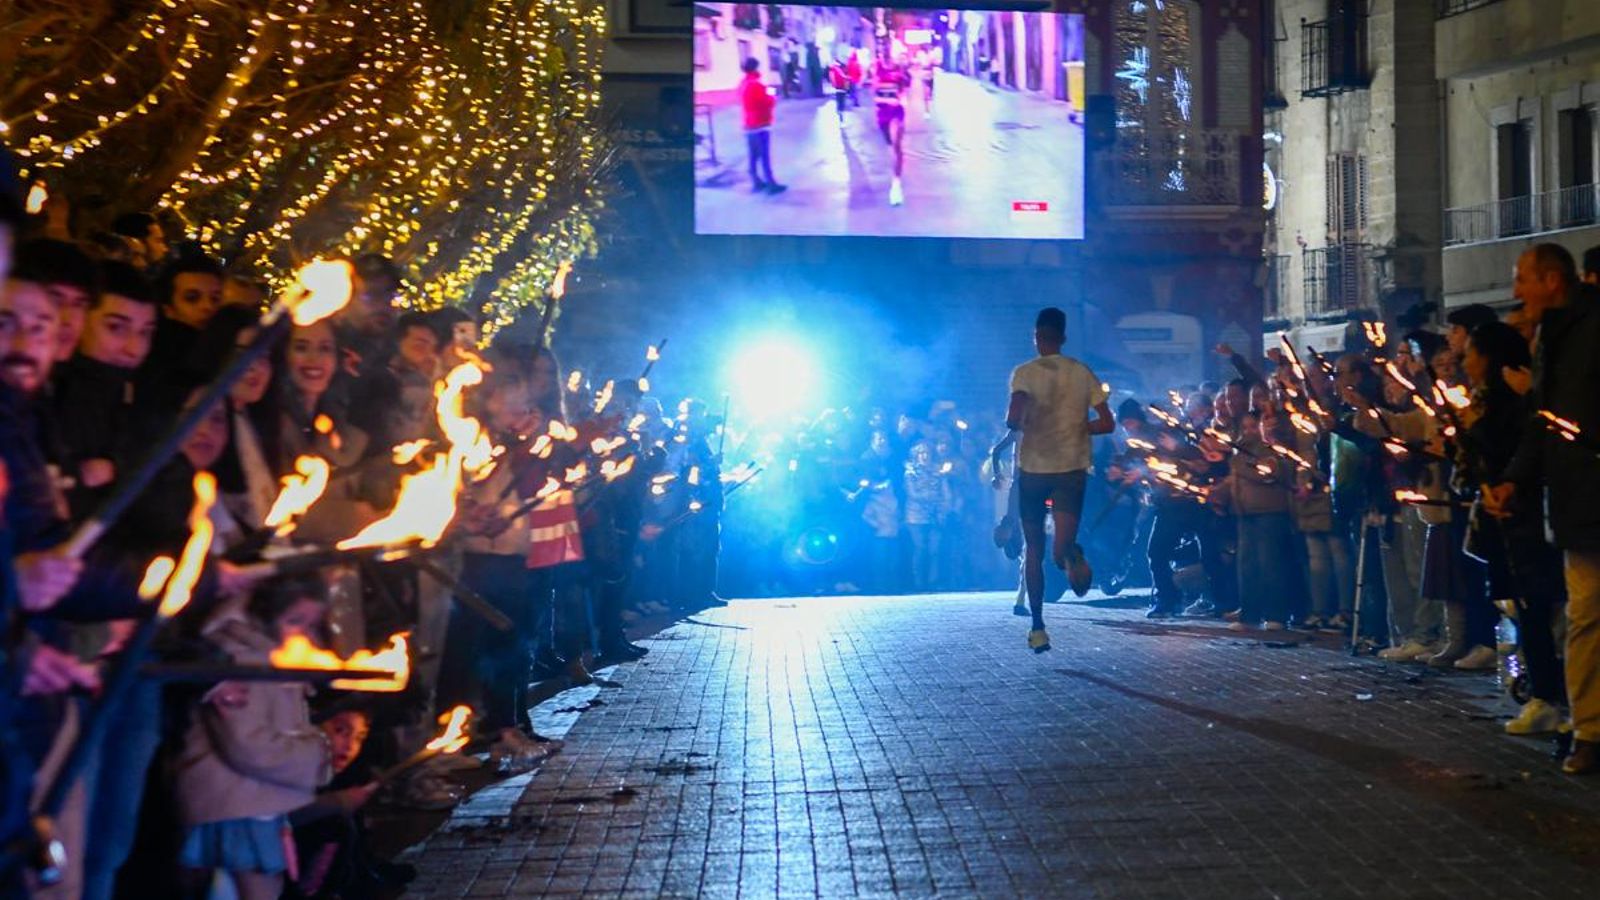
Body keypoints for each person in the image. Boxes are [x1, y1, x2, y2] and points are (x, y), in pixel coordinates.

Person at [1487, 243, 1600, 775]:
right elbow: (1542, 419)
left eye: (1523, 280)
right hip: (1578, 502)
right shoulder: (1552, 341)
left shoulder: (1589, 329)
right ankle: (1591, 730)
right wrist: (1515, 479)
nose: (1517, 292)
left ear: (1553, 280)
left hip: (1586, 488)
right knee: (1585, 617)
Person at [173, 576, 334, 900]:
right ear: (264, 615)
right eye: (294, 620)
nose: (302, 632)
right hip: (238, 804)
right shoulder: (238, 658)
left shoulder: (269, 655)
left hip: (256, 800)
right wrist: (317, 755)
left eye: (311, 623)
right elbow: (247, 745)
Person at [1005, 307, 1113, 652]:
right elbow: (1107, 422)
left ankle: (1038, 627)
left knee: (1033, 550)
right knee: (1058, 549)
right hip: (1071, 470)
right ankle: (1070, 555)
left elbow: (1013, 416)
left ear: (1036, 337)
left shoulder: (1024, 373)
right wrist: (1079, 427)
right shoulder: (1081, 373)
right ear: (1063, 338)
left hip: (1034, 470)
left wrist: (1025, 423)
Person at [738, 58, 785, 195]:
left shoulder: (743, 83)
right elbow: (767, 103)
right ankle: (771, 184)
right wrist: (772, 95)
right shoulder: (756, 85)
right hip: (760, 125)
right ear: (755, 68)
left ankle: (756, 181)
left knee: (753, 155)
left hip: (748, 125)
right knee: (764, 156)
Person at [872, 54, 910, 207]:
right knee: (890, 145)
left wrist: (900, 100)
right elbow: (875, 97)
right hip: (882, 114)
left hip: (896, 113)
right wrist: (887, 100)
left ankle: (896, 185)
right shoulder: (878, 72)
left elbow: (903, 93)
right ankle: (895, 180)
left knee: (896, 146)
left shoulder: (900, 74)